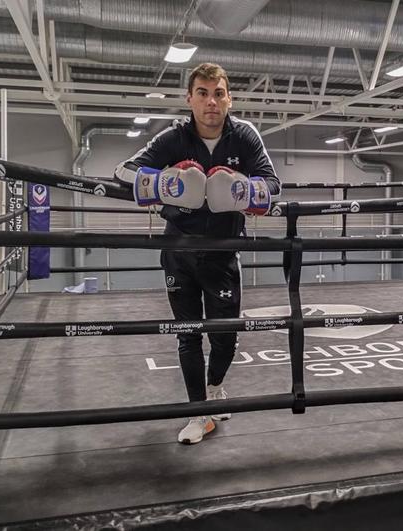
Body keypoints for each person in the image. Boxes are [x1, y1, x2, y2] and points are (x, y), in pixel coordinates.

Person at [114, 63, 281, 444]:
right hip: (179, 249)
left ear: (229, 99)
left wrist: (240, 190)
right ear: (189, 99)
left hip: (223, 252)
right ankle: (197, 414)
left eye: (218, 93)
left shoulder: (244, 136)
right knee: (187, 335)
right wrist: (164, 185)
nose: (211, 102)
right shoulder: (174, 137)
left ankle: (215, 386)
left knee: (225, 338)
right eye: (203, 94)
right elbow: (123, 171)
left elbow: (274, 184)